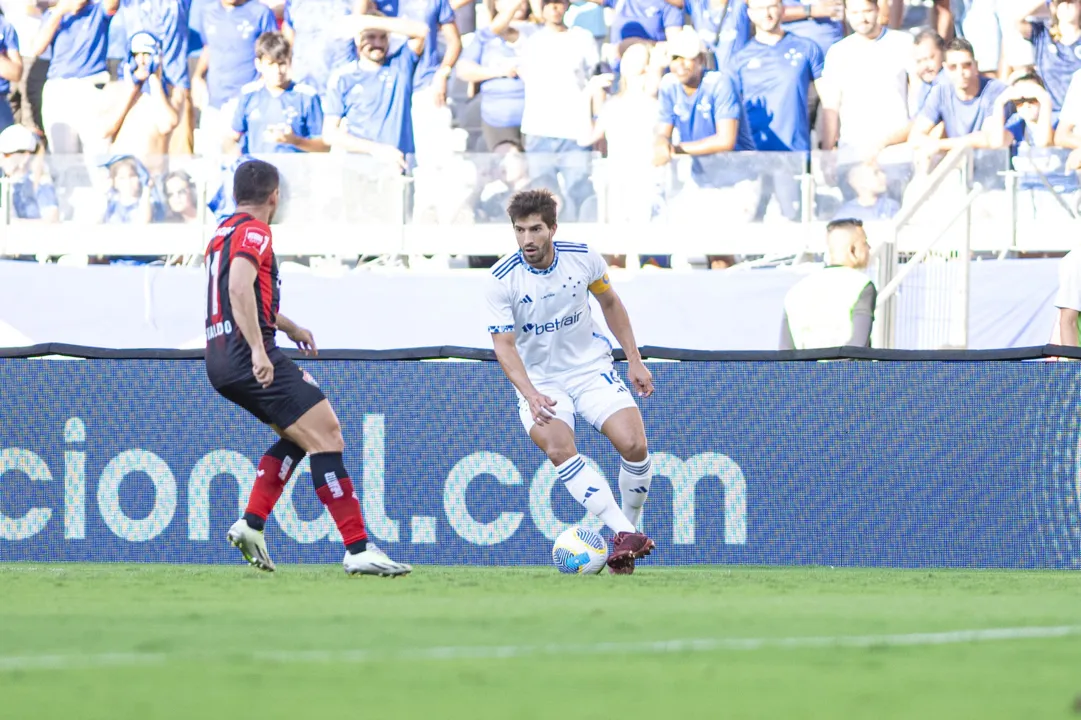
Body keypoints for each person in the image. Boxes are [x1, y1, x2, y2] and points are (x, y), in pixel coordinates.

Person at [204, 158, 411, 577]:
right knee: (328, 434)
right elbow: (238, 287)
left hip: (220, 357)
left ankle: (252, 523)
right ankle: (357, 548)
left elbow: (242, 298)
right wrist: (261, 351)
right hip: (248, 355)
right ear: (275, 196)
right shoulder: (256, 231)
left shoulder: (222, 231)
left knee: (301, 436)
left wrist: (290, 326)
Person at [485, 188, 657, 574]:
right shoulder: (501, 279)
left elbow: (610, 303)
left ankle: (625, 531)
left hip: (590, 369)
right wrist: (529, 393)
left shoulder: (582, 258)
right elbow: (504, 346)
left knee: (634, 443)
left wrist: (633, 360)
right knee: (559, 448)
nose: (527, 239)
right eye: (519, 230)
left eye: (535, 229)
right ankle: (625, 534)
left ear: (552, 228)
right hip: (541, 383)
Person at [779, 217, 875, 349]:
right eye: (865, 243)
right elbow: (858, 347)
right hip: (847, 370)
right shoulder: (861, 284)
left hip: (805, 370)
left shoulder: (796, 291)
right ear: (852, 251)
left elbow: (785, 352)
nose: (869, 248)